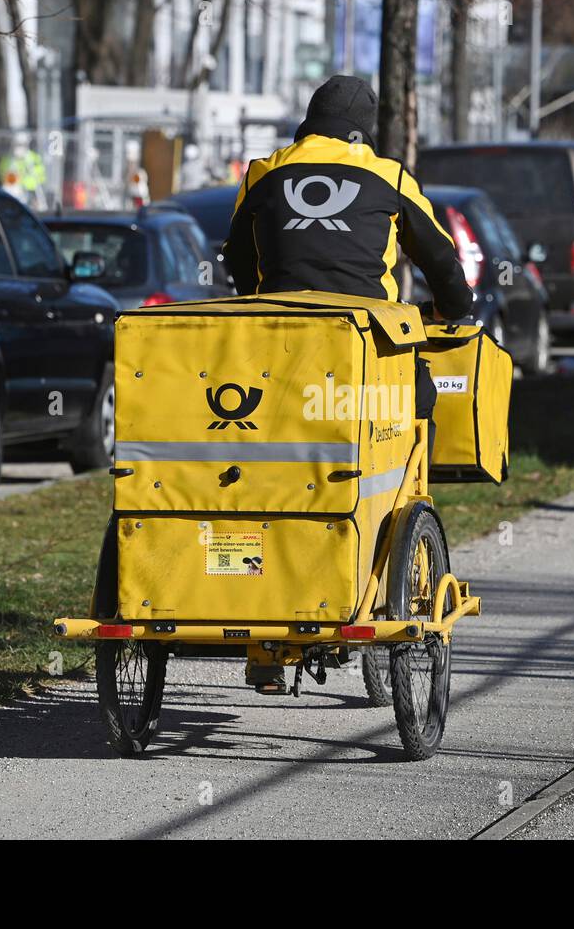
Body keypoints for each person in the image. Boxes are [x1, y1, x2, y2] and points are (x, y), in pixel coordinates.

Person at [223, 75, 473, 694]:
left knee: (269, 464)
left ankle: (261, 616)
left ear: (309, 123)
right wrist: (458, 310)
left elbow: (235, 259)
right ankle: (392, 550)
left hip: (278, 359)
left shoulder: (263, 173)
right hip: (365, 359)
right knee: (417, 411)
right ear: (363, 129)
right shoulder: (388, 176)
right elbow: (441, 259)